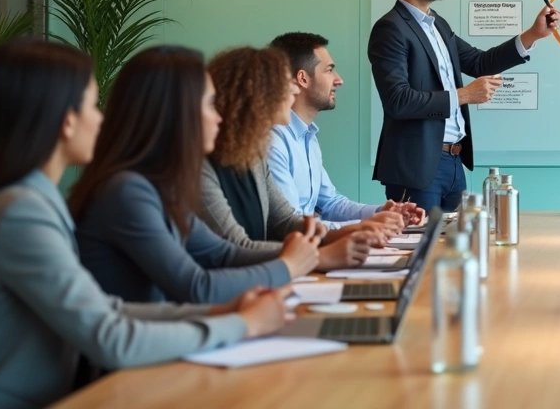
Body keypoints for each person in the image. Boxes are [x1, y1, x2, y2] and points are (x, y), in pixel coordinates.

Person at [0, 40, 287, 409]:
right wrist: (244, 325)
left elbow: (107, 307)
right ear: (67, 121)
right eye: (92, 104)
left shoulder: (35, 201)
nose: (101, 118)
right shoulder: (23, 212)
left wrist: (221, 312)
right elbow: (111, 337)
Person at [69, 46, 320, 305]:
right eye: (210, 105)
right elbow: (196, 287)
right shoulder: (127, 191)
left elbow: (223, 254)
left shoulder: (161, 184)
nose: (219, 117)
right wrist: (289, 265)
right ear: (177, 113)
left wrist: (301, 255)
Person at [368, 0, 559, 211]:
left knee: (457, 248)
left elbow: (479, 63)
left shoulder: (438, 25)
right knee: (422, 251)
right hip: (417, 169)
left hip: (454, 163)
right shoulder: (390, 29)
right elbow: (398, 100)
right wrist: (465, 95)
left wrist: (533, 34)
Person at [198, 46, 375, 267]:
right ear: (257, 96)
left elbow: (284, 220)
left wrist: (327, 232)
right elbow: (236, 247)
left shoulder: (254, 157)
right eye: (284, 82)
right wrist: (322, 255)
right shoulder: (202, 167)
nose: (294, 88)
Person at [268, 32, 421, 229]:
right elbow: (291, 225)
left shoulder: (308, 136)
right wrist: (369, 226)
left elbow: (331, 203)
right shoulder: (273, 142)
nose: (339, 80)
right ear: (303, 79)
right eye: (329, 70)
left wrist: (382, 213)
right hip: (296, 251)